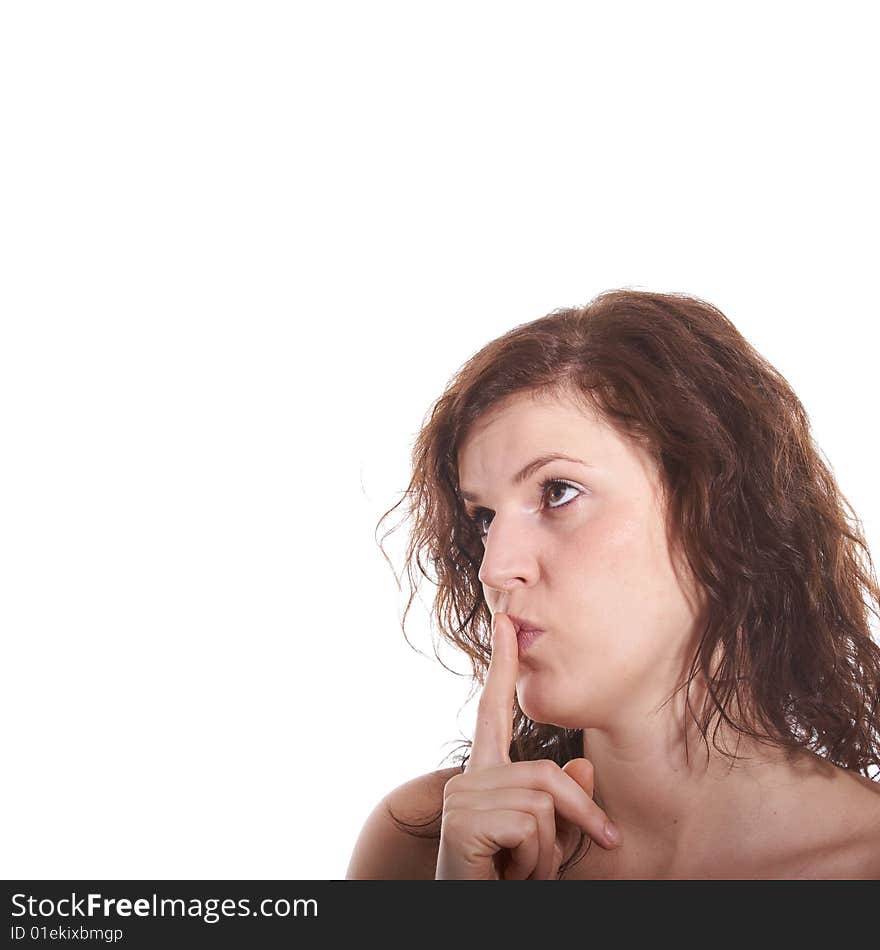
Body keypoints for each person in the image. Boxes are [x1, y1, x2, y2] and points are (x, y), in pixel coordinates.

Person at [346, 289, 880, 880]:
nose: (494, 569)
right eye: (483, 516)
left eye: (557, 492)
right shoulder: (422, 845)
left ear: (717, 512)